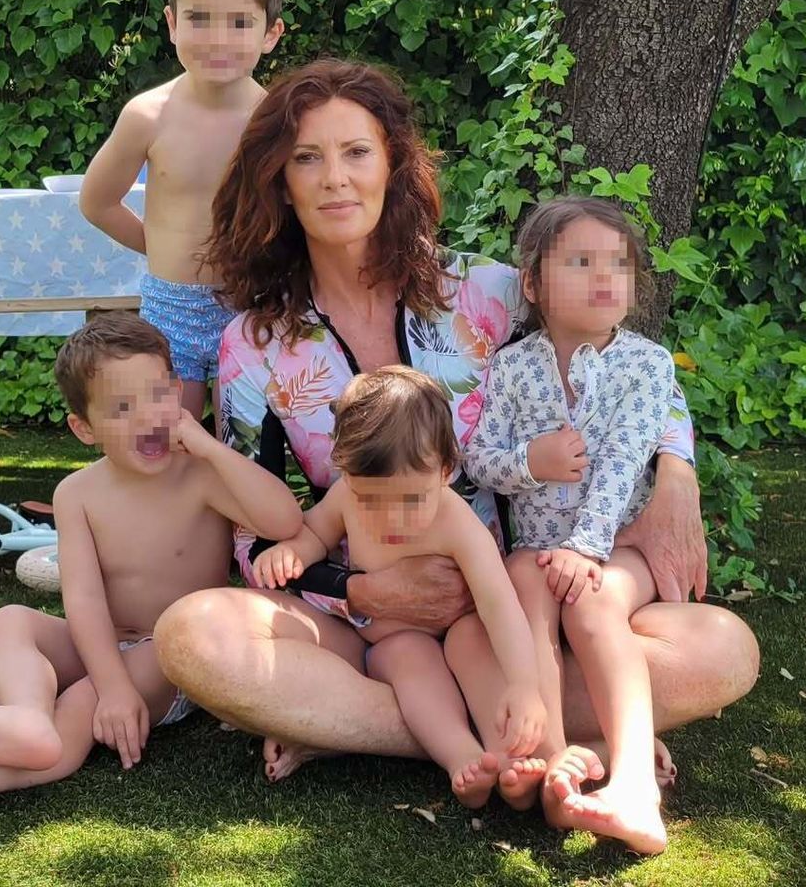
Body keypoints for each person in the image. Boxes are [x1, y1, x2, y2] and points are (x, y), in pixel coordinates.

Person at [152, 59, 760, 794]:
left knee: (724, 649)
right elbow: (255, 537)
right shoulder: (254, 345)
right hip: (369, 628)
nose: (334, 178)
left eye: (356, 153)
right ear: (280, 181)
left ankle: (364, 727)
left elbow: (625, 362)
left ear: (393, 165)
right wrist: (362, 591)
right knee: (194, 634)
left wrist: (677, 472)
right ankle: (512, 738)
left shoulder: (487, 293)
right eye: (307, 158)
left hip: (516, 614)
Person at [0, 312, 302, 822]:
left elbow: (283, 520)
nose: (148, 416)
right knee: (8, 621)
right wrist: (114, 681)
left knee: (85, 699)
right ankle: (29, 720)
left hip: (174, 655)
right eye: (123, 407)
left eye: (158, 394)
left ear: (178, 392)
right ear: (84, 428)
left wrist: (210, 447)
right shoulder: (77, 493)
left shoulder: (202, 476)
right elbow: (82, 598)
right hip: (105, 640)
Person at [464, 196, 678, 852]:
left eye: (618, 263)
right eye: (581, 262)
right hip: (536, 545)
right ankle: (553, 761)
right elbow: (480, 459)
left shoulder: (646, 365)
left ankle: (635, 785)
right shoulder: (514, 365)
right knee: (523, 590)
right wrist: (532, 462)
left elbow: (621, 464)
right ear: (532, 284)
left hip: (617, 546)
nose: (606, 277)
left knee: (593, 608)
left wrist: (588, 550)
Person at [254, 366, 547, 809]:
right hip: (392, 640)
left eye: (411, 501)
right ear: (347, 474)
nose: (392, 519)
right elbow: (316, 534)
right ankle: (461, 757)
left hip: (458, 630)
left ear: (446, 470)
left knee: (475, 645)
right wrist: (293, 552)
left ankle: (510, 756)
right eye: (373, 501)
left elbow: (499, 606)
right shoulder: (347, 496)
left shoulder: (457, 524)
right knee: (410, 661)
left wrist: (525, 685)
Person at [79, 0, 286, 419]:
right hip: (171, 307)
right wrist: (161, 245)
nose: (218, 38)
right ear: (172, 23)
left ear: (271, 33)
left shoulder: (277, 119)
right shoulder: (148, 115)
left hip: (252, 302)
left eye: (240, 22)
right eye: (199, 18)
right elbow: (97, 202)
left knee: (246, 447)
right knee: (172, 439)